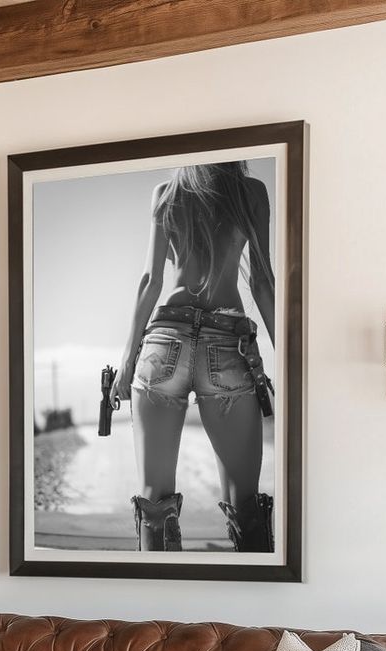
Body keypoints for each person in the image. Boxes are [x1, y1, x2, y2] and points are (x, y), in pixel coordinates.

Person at [110, 161, 275, 553]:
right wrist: (291, 357)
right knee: (245, 502)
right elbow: (263, 281)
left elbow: (151, 281)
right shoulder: (250, 193)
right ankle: (253, 603)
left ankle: (160, 606)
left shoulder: (167, 193)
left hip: (163, 341)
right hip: (227, 343)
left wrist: (128, 363)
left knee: (155, 501)